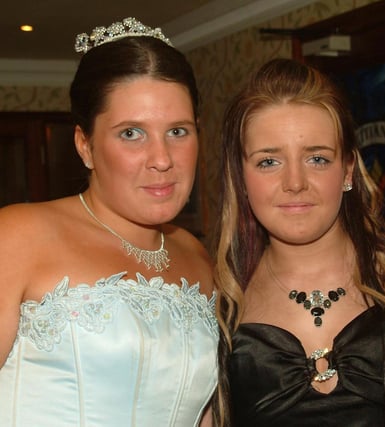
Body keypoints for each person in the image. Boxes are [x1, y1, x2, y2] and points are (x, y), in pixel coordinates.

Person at [0, 17, 218, 426]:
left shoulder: (195, 256)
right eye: (132, 133)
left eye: (177, 131)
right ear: (85, 145)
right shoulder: (18, 236)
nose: (162, 158)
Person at [212, 58, 385, 427]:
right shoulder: (223, 296)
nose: (295, 182)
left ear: (348, 170)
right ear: (241, 177)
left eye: (318, 159)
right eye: (268, 162)